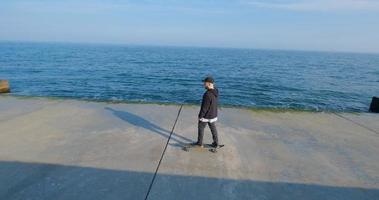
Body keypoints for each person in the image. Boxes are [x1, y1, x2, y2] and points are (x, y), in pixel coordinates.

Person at [193, 76, 219, 148]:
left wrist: (200, 116)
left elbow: (204, 108)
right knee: (213, 128)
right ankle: (216, 143)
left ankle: (200, 143)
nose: (204, 84)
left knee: (201, 127)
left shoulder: (207, 94)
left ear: (209, 84)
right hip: (213, 114)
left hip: (207, 116)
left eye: (205, 83)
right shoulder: (216, 90)